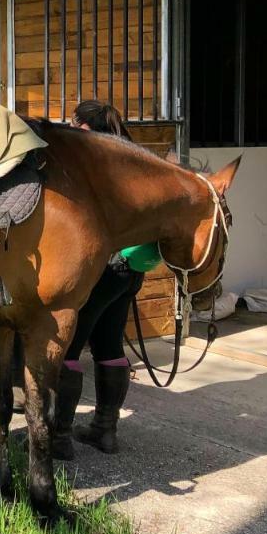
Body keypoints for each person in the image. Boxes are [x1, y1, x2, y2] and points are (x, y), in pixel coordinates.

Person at [51, 100, 161, 460]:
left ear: (84, 127)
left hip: (107, 266)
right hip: (133, 270)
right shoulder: (134, 157)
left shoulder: (99, 161)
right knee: (109, 347)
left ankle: (59, 439)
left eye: (73, 124)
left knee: (67, 346)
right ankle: (104, 431)